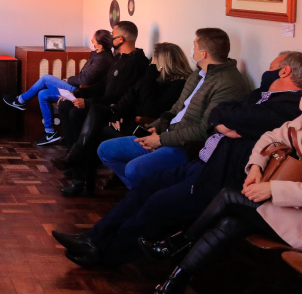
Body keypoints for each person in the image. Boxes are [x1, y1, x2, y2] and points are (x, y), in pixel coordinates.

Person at [52, 51, 302, 268]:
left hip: (220, 177)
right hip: (201, 161)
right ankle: (93, 238)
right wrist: (224, 122)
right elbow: (218, 112)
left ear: (285, 71)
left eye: (271, 67)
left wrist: (225, 121)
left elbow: (233, 116)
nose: (266, 73)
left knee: (157, 205)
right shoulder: (260, 96)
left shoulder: (289, 106)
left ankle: (106, 254)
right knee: (145, 186)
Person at [151, 108, 302, 294]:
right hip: (287, 207)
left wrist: (273, 189)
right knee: (230, 223)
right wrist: (255, 167)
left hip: (296, 217)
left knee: (228, 196)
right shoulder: (300, 121)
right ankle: (172, 284)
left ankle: (179, 243)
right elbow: (270, 137)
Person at [96, 28, 249, 189]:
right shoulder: (197, 75)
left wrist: (161, 140)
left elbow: (205, 130)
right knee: (106, 150)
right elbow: (175, 110)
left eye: (194, 46)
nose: (192, 51)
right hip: (166, 135)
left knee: (133, 169)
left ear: (203, 54)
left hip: (185, 147)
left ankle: (145, 197)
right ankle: (143, 193)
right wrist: (154, 128)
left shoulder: (229, 83)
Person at [57, 42, 191, 196]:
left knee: (96, 132)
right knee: (93, 110)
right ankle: (77, 163)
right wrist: (117, 114)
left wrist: (149, 79)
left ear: (163, 62)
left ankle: (79, 171)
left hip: (143, 126)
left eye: (154, 59)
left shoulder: (177, 85)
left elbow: (151, 110)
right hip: (127, 119)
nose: (151, 62)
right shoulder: (151, 78)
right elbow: (128, 97)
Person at [51, 21, 150, 194]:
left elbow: (120, 95)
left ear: (120, 38)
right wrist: (79, 94)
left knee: (77, 114)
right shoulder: (118, 57)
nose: (110, 38)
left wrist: (88, 103)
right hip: (104, 104)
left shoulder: (137, 62)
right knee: (67, 105)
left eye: (112, 35)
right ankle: (75, 163)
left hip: (117, 110)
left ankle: (81, 178)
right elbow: (104, 84)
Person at [3, 29, 114, 146]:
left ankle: (20, 100)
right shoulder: (97, 54)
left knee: (46, 78)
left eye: (92, 40)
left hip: (82, 92)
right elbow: (84, 75)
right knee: (43, 94)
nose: (90, 42)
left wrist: (69, 80)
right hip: (77, 86)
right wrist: (71, 80)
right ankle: (50, 132)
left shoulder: (103, 59)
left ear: (100, 46)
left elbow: (85, 79)